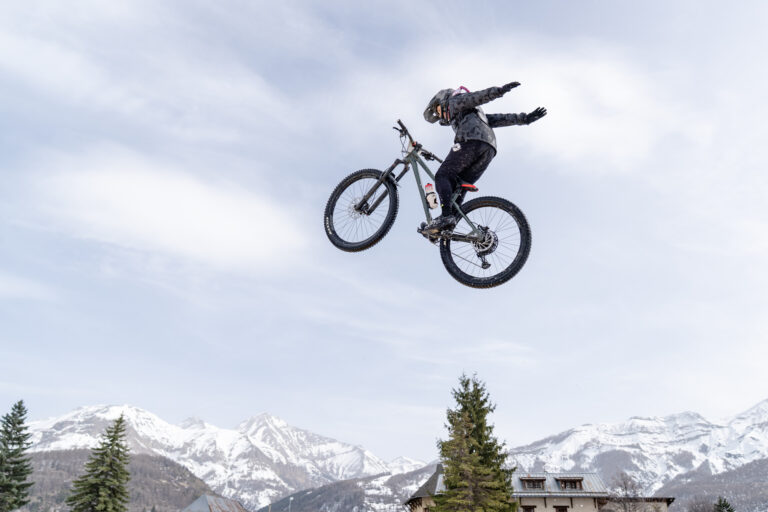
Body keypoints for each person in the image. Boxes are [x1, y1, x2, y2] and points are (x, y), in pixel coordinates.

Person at [420, 82, 546, 233]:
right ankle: (447, 225)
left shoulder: (454, 101)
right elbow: (498, 119)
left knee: (443, 175)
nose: (440, 115)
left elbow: (476, 97)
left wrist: (498, 91)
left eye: (438, 110)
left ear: (442, 100)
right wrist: (524, 119)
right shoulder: (473, 114)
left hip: (471, 141)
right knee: (458, 186)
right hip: (489, 149)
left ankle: (446, 216)